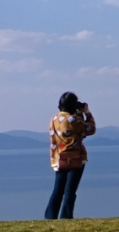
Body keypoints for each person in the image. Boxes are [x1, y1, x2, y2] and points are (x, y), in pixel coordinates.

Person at [44, 92, 96, 220]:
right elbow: (90, 129)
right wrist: (87, 112)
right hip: (75, 157)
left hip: (58, 157)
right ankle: (66, 216)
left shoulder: (54, 119)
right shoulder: (73, 120)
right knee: (70, 191)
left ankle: (50, 217)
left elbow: (71, 130)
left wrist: (78, 114)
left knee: (57, 190)